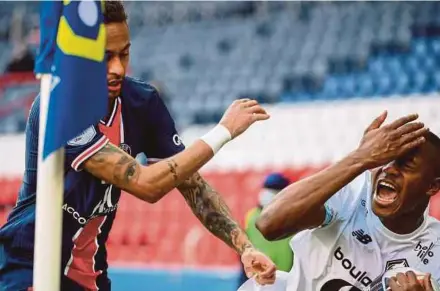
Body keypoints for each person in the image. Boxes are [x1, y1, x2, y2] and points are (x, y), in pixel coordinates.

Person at [0, 2, 276, 290]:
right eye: (104, 58)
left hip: (89, 276)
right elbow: (146, 184)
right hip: (29, 266)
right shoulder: (59, 107)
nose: (117, 68)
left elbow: (193, 186)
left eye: (124, 54)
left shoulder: (142, 103)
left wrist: (245, 248)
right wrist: (222, 131)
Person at [240, 111, 440, 291]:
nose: (389, 169)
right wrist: (360, 158)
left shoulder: (435, 253)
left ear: (432, 186)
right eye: (386, 159)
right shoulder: (352, 192)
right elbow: (269, 223)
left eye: (407, 165)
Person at [238, 173, 293, 287]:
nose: (269, 194)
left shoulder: (294, 220)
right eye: (267, 189)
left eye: (274, 190)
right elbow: (243, 249)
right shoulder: (251, 216)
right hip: (257, 278)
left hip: (285, 280)